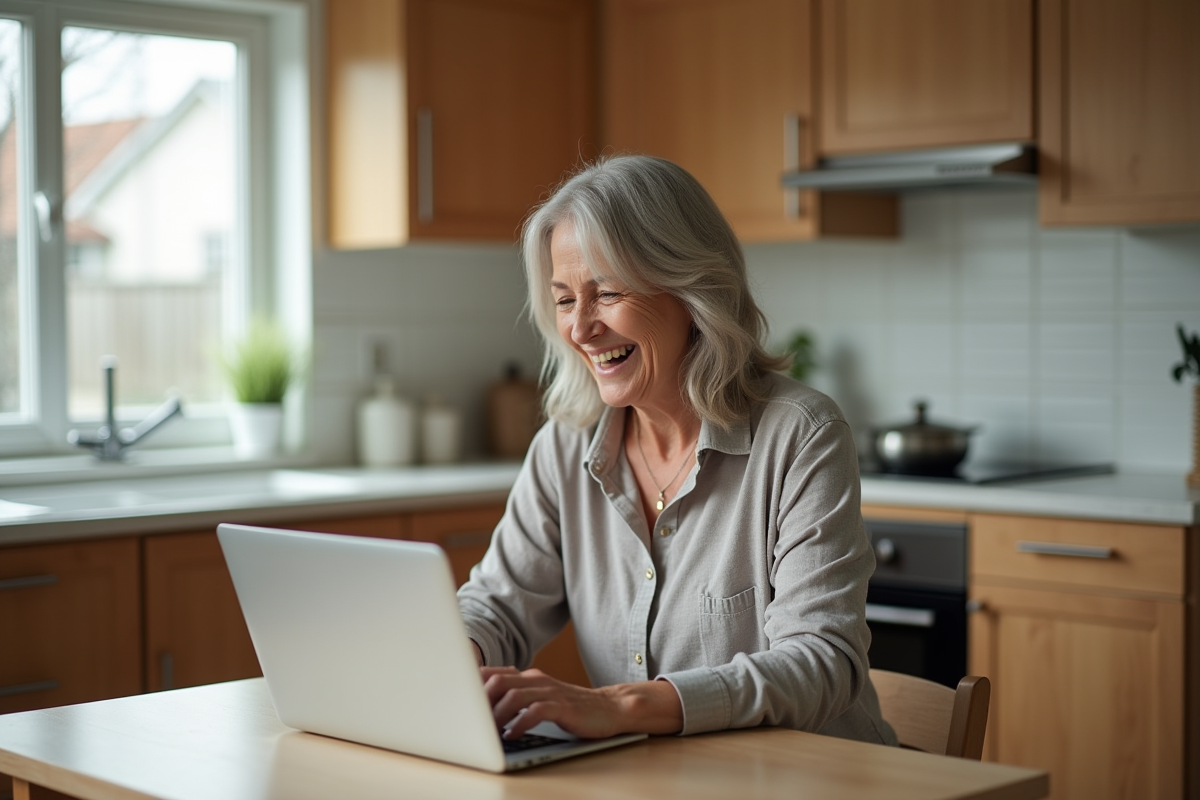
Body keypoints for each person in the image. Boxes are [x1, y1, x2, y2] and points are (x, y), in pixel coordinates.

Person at [457, 154, 897, 746]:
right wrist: (457, 654)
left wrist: (621, 706)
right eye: (565, 300)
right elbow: (498, 604)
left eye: (607, 292)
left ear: (692, 290)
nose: (581, 328)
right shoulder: (566, 446)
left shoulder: (800, 435)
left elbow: (822, 662)